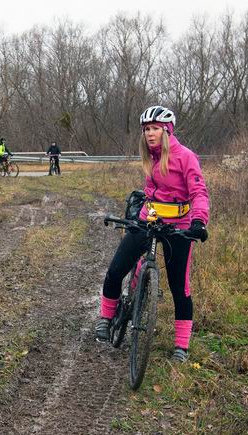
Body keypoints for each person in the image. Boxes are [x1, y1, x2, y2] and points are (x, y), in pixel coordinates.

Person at [95, 106, 210, 363]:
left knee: (180, 288)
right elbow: (152, 192)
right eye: (146, 129)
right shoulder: (151, 157)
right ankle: (106, 318)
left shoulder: (186, 157)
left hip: (178, 227)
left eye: (155, 128)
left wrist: (199, 222)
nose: (150, 134)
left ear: (167, 131)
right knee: (115, 271)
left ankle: (181, 347)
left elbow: (199, 192)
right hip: (148, 221)